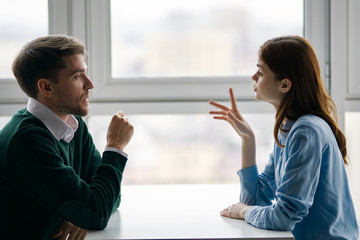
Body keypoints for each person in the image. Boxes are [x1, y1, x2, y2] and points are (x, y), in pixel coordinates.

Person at [209, 36, 359, 239]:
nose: (253, 77)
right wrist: (248, 140)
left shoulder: (306, 131)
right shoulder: (289, 127)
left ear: (285, 85)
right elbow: (254, 200)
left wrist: (244, 212)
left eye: (260, 72)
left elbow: (283, 216)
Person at [0, 35, 134, 240]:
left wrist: (76, 212)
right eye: (78, 76)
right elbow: (97, 212)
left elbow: (109, 199)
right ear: (46, 87)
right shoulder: (27, 141)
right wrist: (115, 147)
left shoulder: (73, 126)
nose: (90, 84)